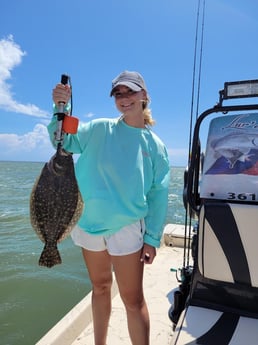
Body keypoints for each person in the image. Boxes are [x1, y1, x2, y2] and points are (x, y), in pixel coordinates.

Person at [48, 70, 170, 345]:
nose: (124, 98)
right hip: (89, 224)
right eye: (118, 93)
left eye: (130, 92)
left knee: (132, 299)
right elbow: (64, 141)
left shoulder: (156, 146)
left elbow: (158, 195)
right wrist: (59, 106)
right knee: (100, 287)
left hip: (127, 229)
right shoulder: (99, 128)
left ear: (144, 96)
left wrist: (151, 238)